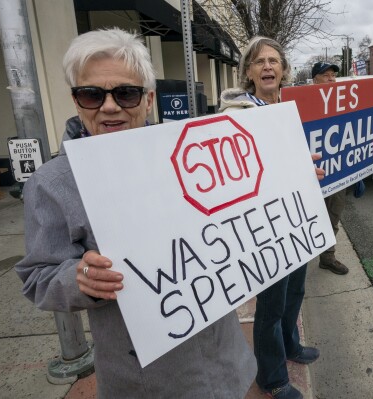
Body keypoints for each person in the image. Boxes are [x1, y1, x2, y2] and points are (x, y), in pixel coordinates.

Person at [15, 28, 256, 398]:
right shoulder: (52, 183)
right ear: (77, 102)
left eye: (125, 93)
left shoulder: (191, 153)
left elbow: (240, 209)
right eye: (92, 94)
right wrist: (79, 278)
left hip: (225, 359)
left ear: (148, 99)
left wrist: (288, 173)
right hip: (147, 380)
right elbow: (38, 277)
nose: (109, 106)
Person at [219, 37, 322, 399]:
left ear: (283, 70)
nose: (267, 67)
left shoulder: (292, 105)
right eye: (259, 61)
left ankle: (291, 345)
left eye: (274, 61)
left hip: (296, 215)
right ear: (248, 71)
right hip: (264, 225)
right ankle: (272, 376)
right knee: (272, 304)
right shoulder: (236, 114)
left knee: (296, 289)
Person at [310, 61, 350, 276]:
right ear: (314, 78)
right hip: (310, 177)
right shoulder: (303, 102)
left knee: (333, 216)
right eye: (326, 75)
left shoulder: (344, 102)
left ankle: (327, 257)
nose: (331, 79)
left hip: (337, 173)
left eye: (333, 75)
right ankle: (300, 260)